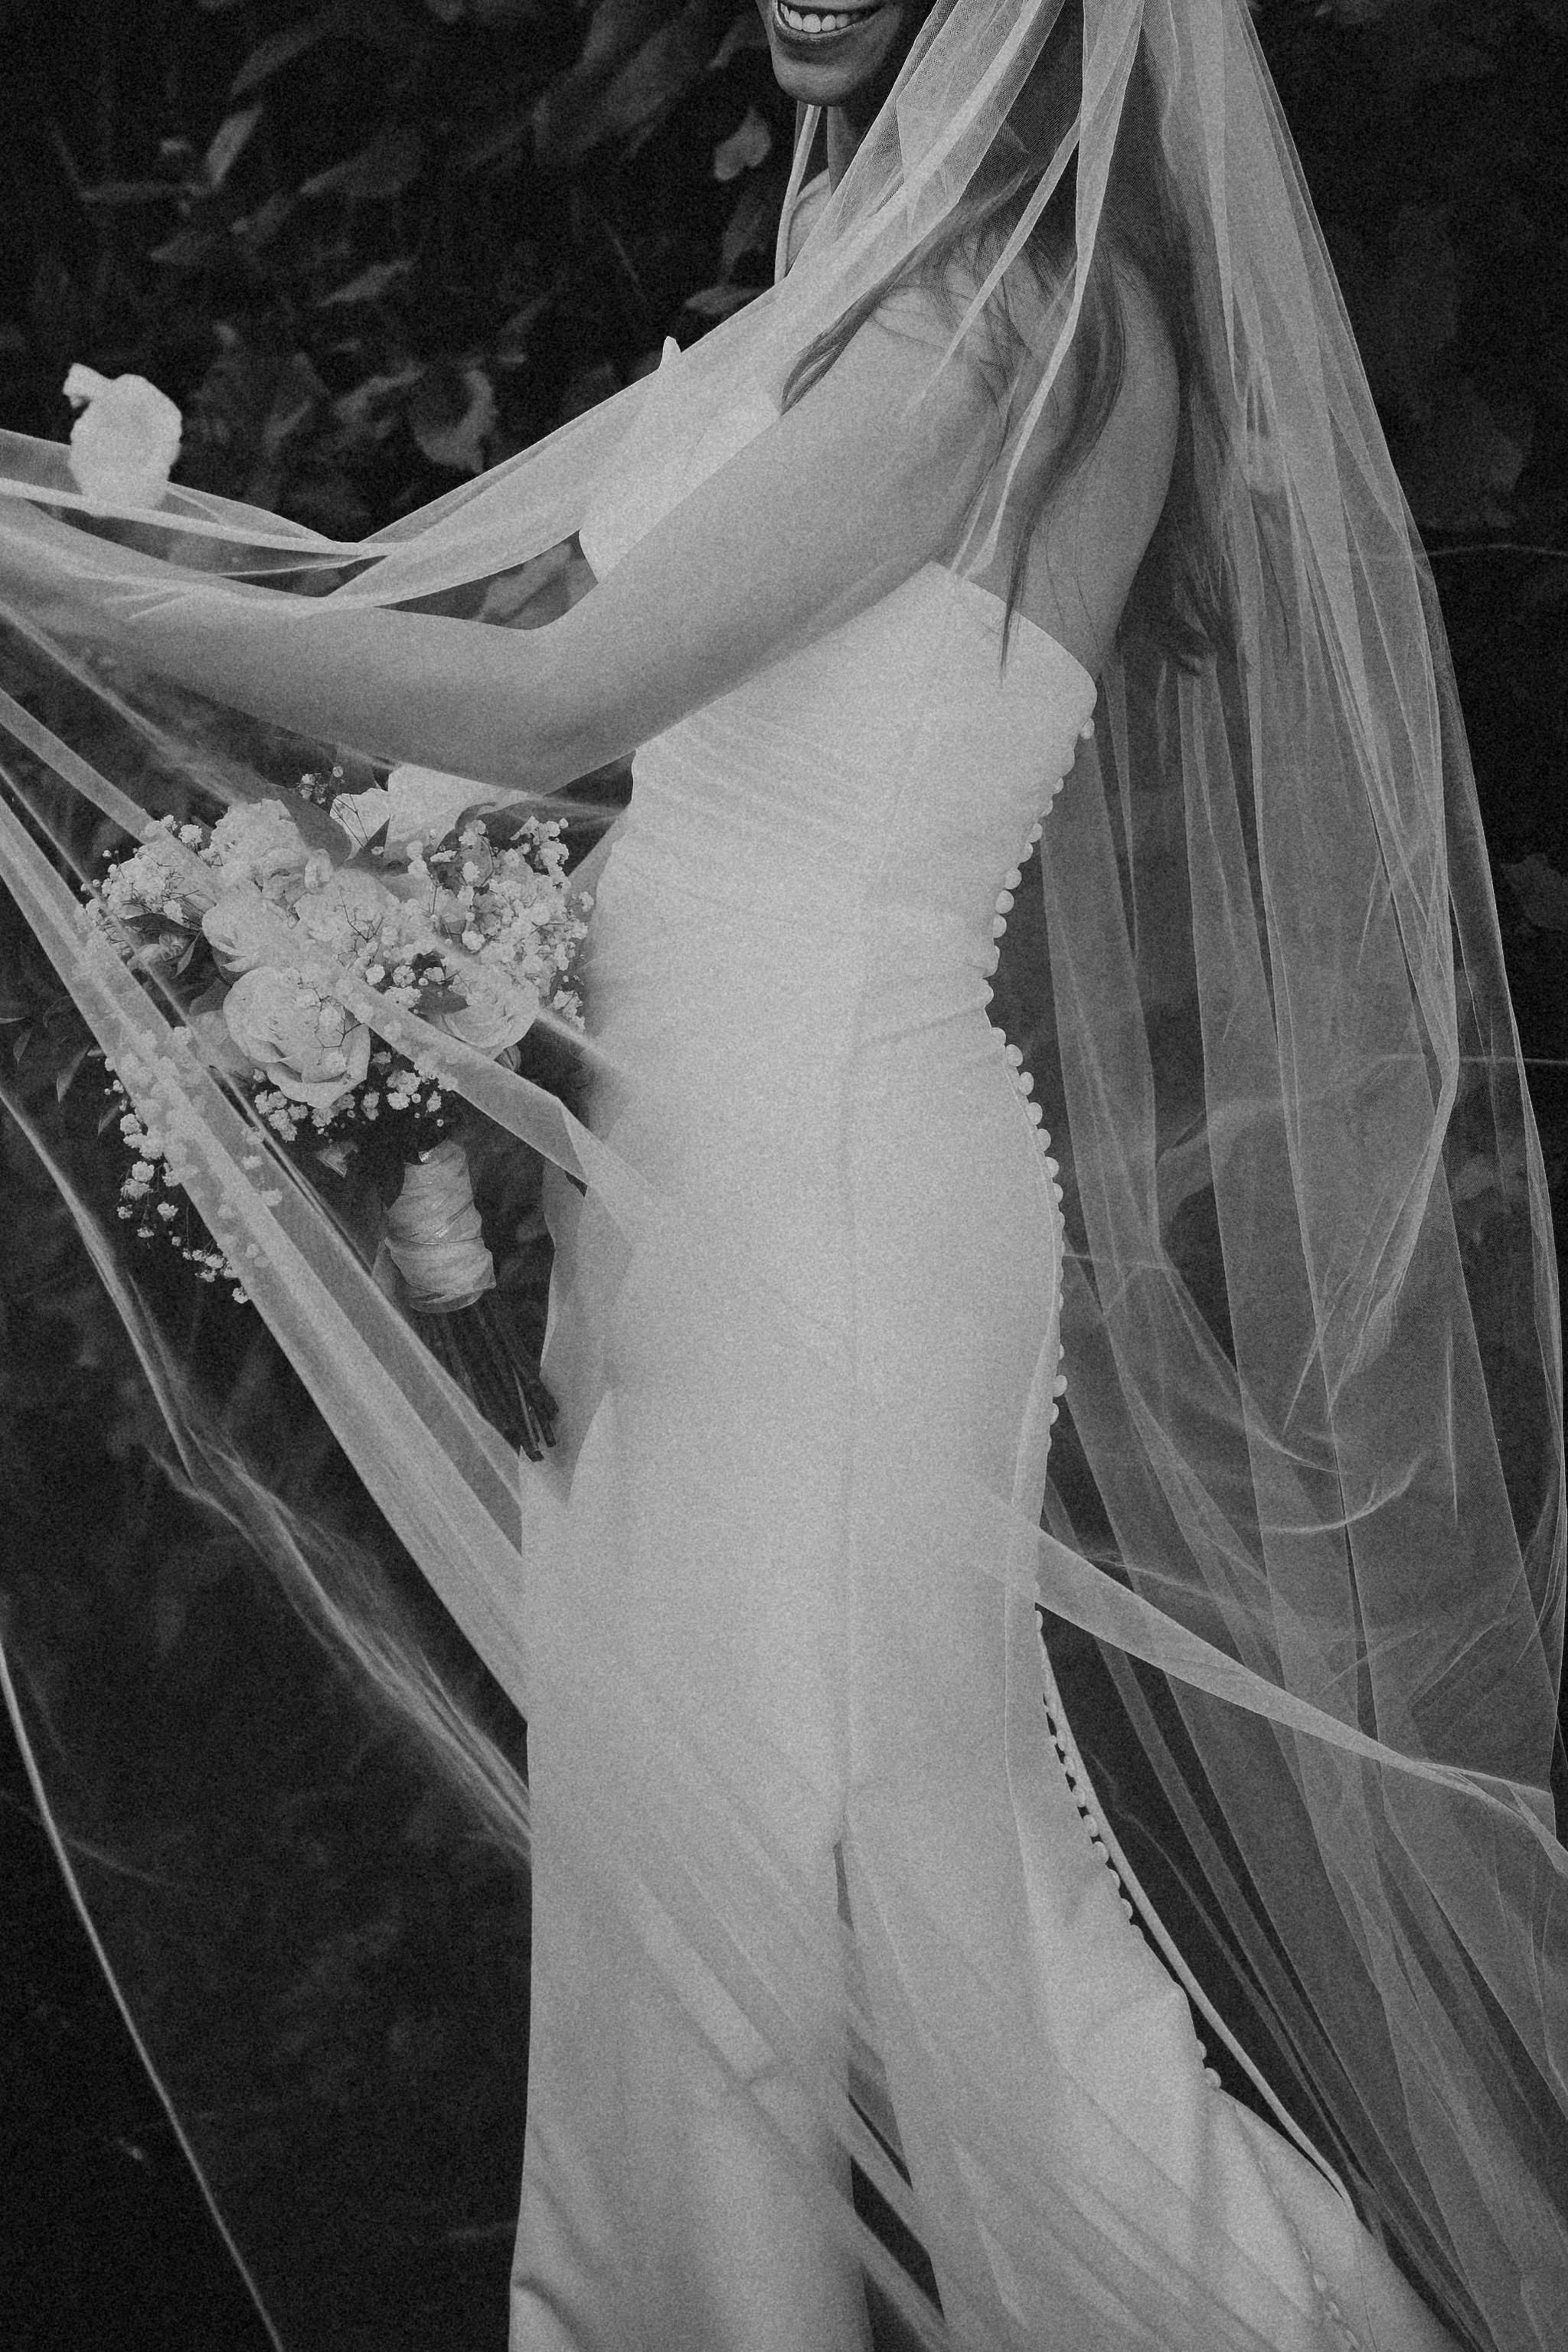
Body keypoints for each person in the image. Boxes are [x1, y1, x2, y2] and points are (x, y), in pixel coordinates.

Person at [0, 5, 1563, 2349]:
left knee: (899, 1929)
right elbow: (520, 664)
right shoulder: (872, 265)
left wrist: (80, 602)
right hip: (698, 1173)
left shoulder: (995, 325)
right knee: (705, 1917)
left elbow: (547, 706)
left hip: (824, 1189)